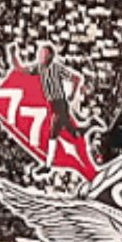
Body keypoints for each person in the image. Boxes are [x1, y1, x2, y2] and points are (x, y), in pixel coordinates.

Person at [37, 43, 84, 171]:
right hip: (52, 104)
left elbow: (76, 78)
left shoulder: (56, 68)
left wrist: (72, 94)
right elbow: (23, 69)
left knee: (53, 133)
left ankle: (48, 165)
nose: (40, 56)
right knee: (73, 132)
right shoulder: (40, 68)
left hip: (59, 104)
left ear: (50, 56)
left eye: (43, 54)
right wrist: (13, 57)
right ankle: (89, 127)